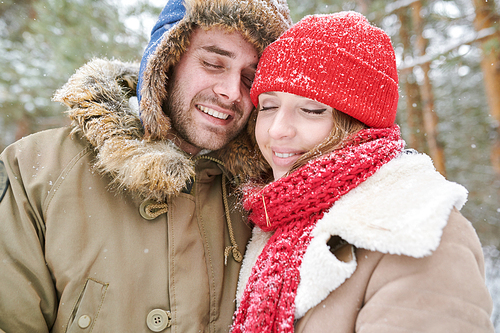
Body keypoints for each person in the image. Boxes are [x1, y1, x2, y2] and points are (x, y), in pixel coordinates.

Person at [0, 0, 291, 332]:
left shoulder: (269, 198)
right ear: (167, 59)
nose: (230, 93)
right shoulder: (36, 169)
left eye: (250, 79)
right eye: (213, 63)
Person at [231, 12, 495, 333]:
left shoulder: (419, 230)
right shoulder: (271, 216)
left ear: (358, 124)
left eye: (312, 110)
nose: (277, 130)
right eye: (269, 106)